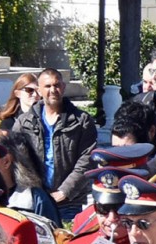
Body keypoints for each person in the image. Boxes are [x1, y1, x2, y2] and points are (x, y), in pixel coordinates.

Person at [10, 69, 97, 218]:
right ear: (39, 90)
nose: (53, 90)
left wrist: (65, 191)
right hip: (34, 200)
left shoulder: (82, 121)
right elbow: (16, 159)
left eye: (56, 85)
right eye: (47, 86)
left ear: (63, 87)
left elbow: (87, 159)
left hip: (69, 202)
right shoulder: (24, 122)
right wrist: (34, 191)